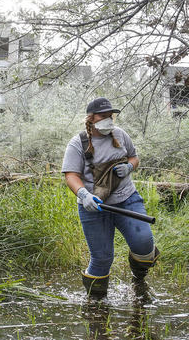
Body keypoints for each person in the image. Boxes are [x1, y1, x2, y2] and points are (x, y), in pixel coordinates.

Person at [61, 97, 159, 298]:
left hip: (127, 199)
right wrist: (83, 194)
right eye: (103, 116)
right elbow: (71, 175)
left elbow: (134, 156)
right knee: (102, 259)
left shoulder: (120, 135)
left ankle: (138, 278)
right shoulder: (78, 143)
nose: (109, 119)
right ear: (92, 118)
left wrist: (130, 166)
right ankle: (96, 304)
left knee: (144, 244)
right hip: (94, 208)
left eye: (110, 115)